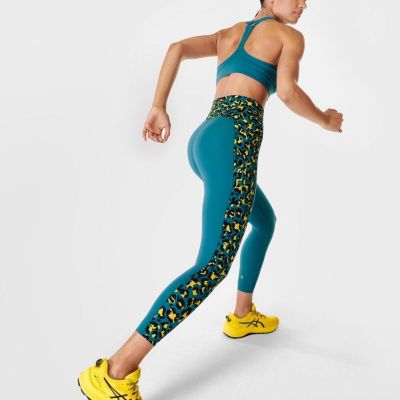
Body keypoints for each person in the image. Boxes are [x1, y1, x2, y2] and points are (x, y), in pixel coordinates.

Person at [77, 1, 344, 399]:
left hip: (206, 139)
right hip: (234, 140)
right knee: (211, 265)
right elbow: (287, 91)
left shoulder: (228, 34)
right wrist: (325, 119)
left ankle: (242, 315)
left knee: (264, 221)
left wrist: (158, 106)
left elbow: (177, 49)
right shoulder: (289, 36)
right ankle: (115, 371)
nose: (304, 4)